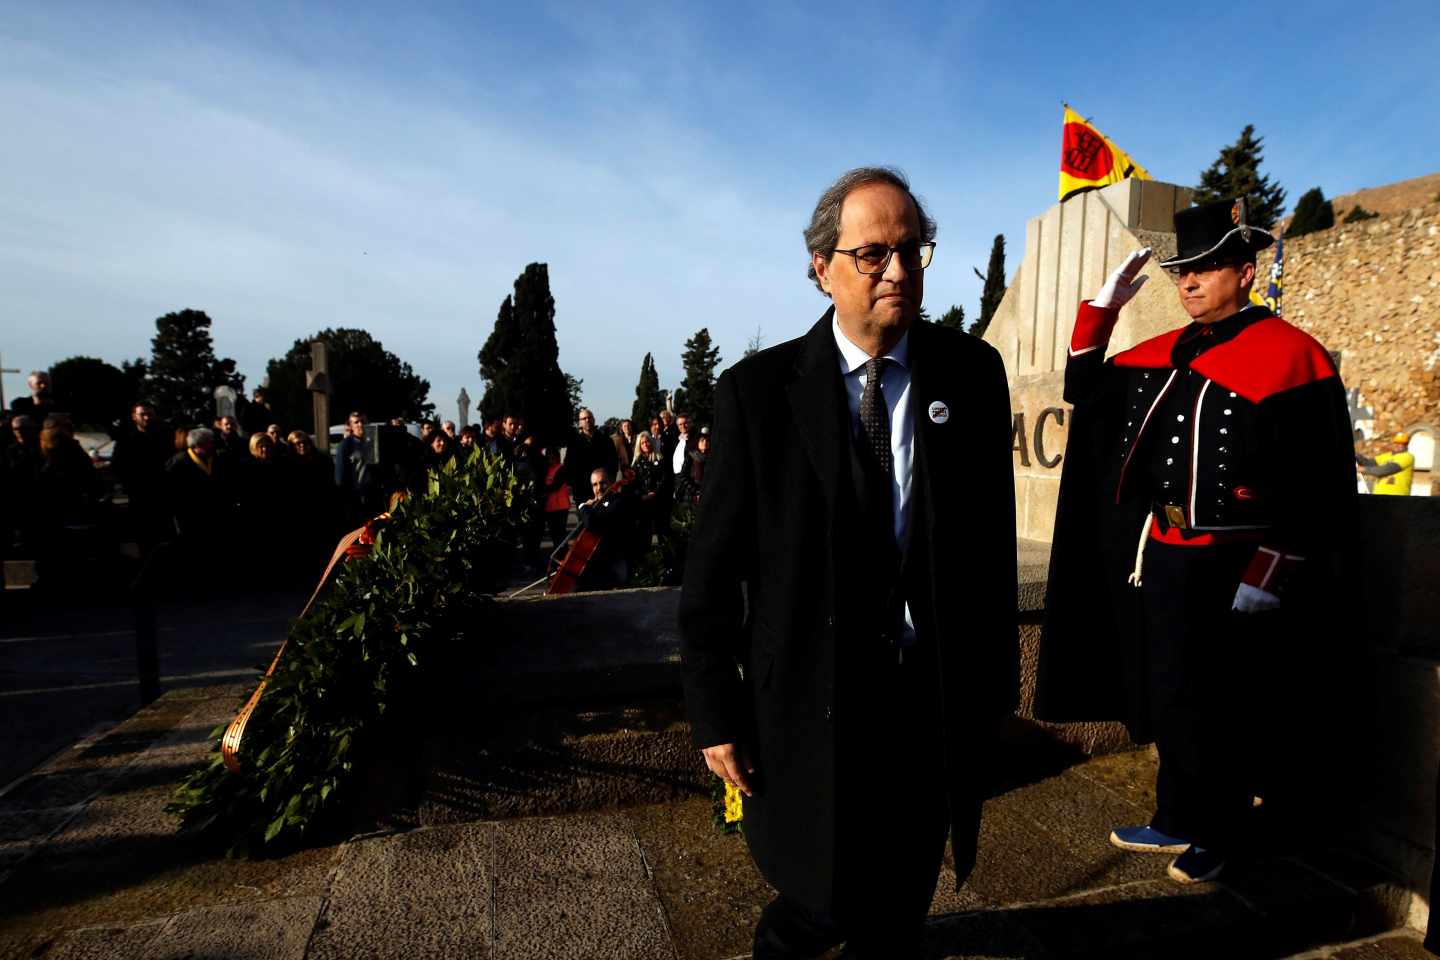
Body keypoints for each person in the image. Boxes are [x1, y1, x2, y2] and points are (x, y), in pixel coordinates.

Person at [680, 166, 1018, 957]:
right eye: (873, 254)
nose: (898, 271)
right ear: (821, 267)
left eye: (912, 250)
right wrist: (714, 711)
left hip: (923, 699)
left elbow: (989, 551)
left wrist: (993, 690)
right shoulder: (757, 395)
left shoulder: (970, 375)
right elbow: (712, 574)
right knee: (814, 896)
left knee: (903, 895)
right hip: (807, 698)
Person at [1037, 198, 1358, 884]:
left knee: (1229, 705)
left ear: (1245, 272)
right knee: (1173, 693)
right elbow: (1083, 391)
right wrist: (1102, 313)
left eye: (1206, 268)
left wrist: (1269, 572)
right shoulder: (1168, 351)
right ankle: (1177, 815)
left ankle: (1224, 831)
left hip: (1238, 560)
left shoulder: (1294, 354)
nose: (1188, 281)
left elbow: (1319, 479)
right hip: (1166, 555)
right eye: (1182, 270)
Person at [111, 402, 173, 548]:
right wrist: (129, 484)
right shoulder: (126, 440)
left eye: (149, 414)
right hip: (138, 493)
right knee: (143, 536)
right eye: (142, 414)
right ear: (134, 417)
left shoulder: (165, 436)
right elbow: (118, 465)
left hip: (162, 491)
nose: (146, 418)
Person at [563, 408, 618, 505]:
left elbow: (613, 463)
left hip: (603, 490)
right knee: (585, 519)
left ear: (594, 419)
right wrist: (574, 484)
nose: (587, 420)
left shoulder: (606, 440)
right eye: (584, 418)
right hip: (581, 492)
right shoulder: (574, 443)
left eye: (589, 417)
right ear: (580, 423)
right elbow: (568, 466)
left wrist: (609, 482)